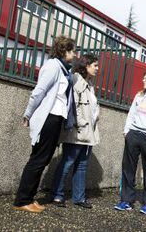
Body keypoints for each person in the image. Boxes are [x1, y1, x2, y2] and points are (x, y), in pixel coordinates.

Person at [13, 36, 76, 213]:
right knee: (38, 159)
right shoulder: (53, 66)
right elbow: (39, 91)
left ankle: (28, 198)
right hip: (49, 117)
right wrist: (28, 113)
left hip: (56, 118)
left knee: (42, 159)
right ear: (64, 51)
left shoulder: (64, 70)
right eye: (72, 50)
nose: (75, 54)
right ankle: (22, 200)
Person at [52, 54, 100, 209]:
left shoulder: (89, 84)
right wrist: (81, 124)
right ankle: (57, 195)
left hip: (88, 132)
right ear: (86, 65)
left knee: (82, 165)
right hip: (78, 131)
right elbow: (74, 104)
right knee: (68, 162)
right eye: (95, 65)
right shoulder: (77, 79)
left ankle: (79, 198)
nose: (97, 68)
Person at [114, 69, 146, 215]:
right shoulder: (139, 95)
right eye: (144, 79)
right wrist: (127, 131)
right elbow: (131, 114)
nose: (144, 81)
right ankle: (126, 201)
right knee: (128, 167)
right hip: (134, 134)